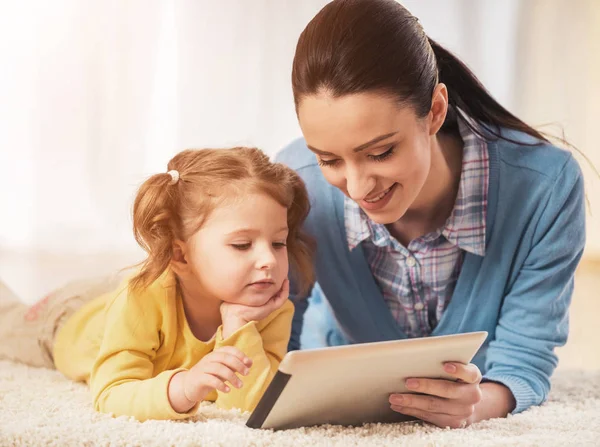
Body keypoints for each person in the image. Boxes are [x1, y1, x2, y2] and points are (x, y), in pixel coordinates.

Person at [276, 0, 586, 429]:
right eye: (329, 159)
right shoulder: (298, 184)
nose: (359, 187)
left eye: (381, 152)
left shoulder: (544, 188)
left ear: (435, 111)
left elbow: (525, 358)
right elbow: (272, 334)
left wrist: (479, 404)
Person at [0, 147, 314, 421]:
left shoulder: (269, 309)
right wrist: (185, 386)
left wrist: (238, 328)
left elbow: (251, 406)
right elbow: (111, 393)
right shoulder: (141, 297)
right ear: (180, 254)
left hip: (122, 291)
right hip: (67, 320)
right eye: (242, 245)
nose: (269, 261)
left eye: (278, 243)